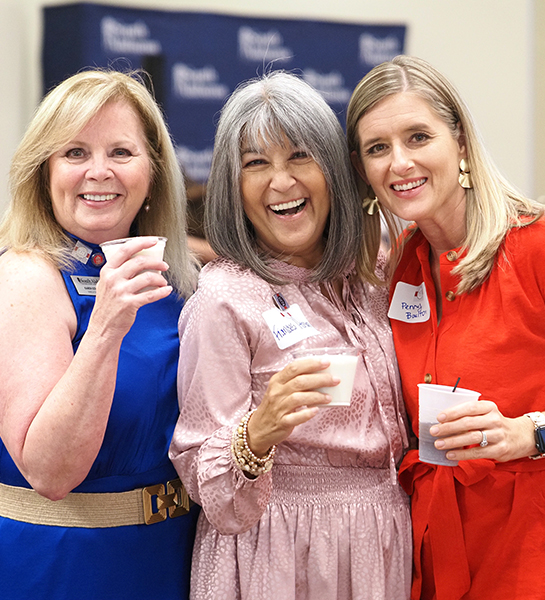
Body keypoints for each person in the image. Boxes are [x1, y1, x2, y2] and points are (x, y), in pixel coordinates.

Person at [346, 55, 545, 600]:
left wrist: (529, 433)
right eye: (378, 148)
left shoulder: (544, 247)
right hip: (432, 541)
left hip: (534, 545)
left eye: (418, 137)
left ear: (461, 144)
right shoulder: (405, 259)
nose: (400, 162)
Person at [0, 69, 199, 599]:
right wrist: (105, 329)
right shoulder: (23, 277)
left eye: (121, 152)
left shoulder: (166, 273)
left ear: (153, 171)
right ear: (44, 170)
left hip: (168, 556)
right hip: (59, 563)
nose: (99, 172)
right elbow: (51, 470)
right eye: (75, 153)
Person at [169, 71, 412, 600]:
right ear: (233, 186)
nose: (281, 182)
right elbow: (202, 478)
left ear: (335, 170)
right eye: (256, 163)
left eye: (300, 156)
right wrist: (257, 432)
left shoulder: (376, 275)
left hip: (384, 542)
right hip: (277, 554)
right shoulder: (224, 300)